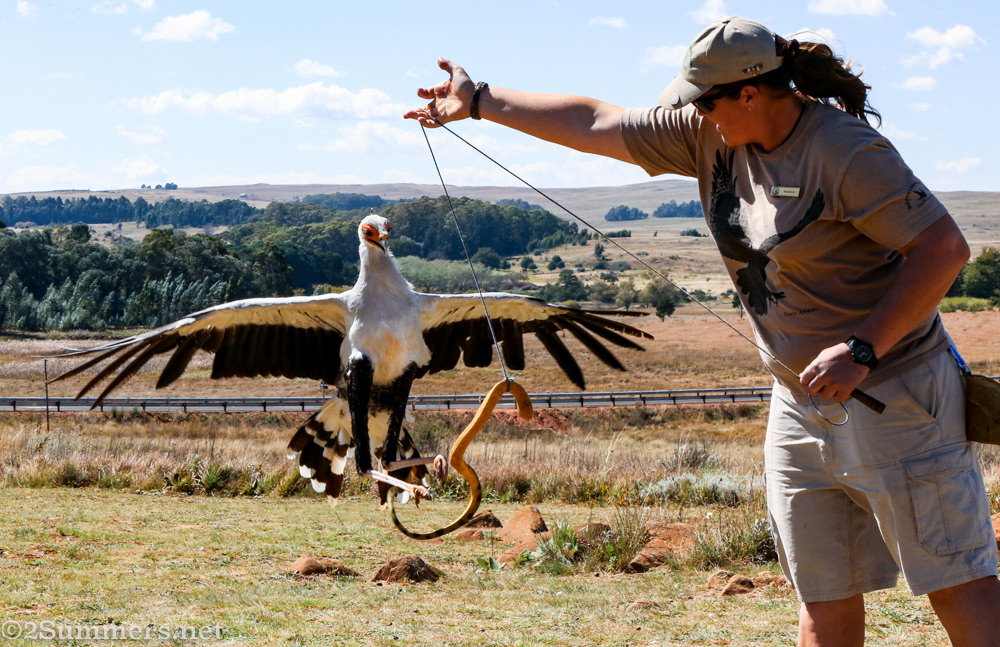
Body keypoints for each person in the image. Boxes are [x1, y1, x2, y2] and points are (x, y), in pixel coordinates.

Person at [405, 16, 1000, 647]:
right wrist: (478, 102)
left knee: (955, 580)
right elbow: (596, 122)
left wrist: (862, 348)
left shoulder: (846, 152)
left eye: (705, 101)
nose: (695, 114)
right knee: (823, 592)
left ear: (750, 93)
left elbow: (942, 247)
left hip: (896, 394)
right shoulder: (709, 131)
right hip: (799, 403)